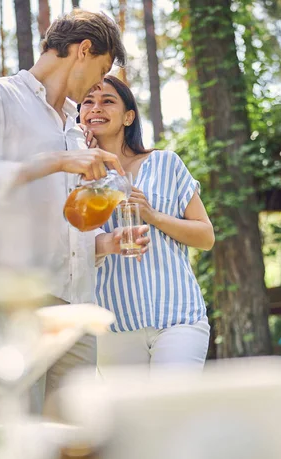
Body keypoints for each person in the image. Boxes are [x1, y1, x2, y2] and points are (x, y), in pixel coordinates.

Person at [0, 10, 149, 411]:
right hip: (19, 302)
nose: (97, 85)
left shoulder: (74, 128)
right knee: (20, 437)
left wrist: (105, 243)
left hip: (77, 310)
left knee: (73, 445)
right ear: (84, 50)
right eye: (101, 70)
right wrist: (55, 161)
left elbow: (65, 227)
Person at [79, 76, 215, 372]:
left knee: (170, 412)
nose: (95, 108)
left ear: (129, 116)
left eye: (107, 101)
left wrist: (153, 216)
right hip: (114, 325)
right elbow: (74, 245)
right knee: (131, 419)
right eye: (87, 102)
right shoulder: (76, 174)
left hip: (178, 318)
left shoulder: (167, 163)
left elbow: (206, 236)